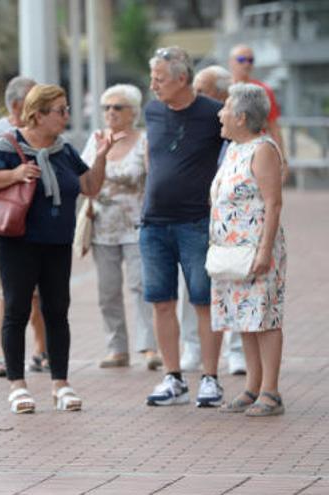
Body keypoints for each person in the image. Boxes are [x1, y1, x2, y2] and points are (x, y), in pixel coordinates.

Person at [0, 84, 117, 414]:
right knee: (17, 310)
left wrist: (103, 157)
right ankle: (17, 385)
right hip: (17, 241)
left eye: (66, 109)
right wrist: (14, 174)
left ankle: (60, 383)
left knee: (57, 311)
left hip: (57, 242)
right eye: (60, 110)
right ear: (37, 114)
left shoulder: (64, 150)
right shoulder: (8, 145)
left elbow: (89, 187)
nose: (66, 116)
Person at [142, 46, 225, 408]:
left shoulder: (212, 113)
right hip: (153, 223)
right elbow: (152, 154)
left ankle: (210, 378)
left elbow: (236, 152)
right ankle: (173, 378)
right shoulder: (152, 110)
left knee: (203, 301)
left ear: (182, 79)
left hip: (196, 222)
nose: (153, 85)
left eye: (159, 79)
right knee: (161, 302)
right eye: (152, 78)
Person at [212, 83, 286, 416]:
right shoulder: (233, 149)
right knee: (244, 316)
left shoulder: (263, 149)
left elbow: (273, 203)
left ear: (241, 117)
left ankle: (271, 391)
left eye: (225, 108)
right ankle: (252, 387)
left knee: (265, 316)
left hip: (256, 247)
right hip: (231, 249)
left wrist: (264, 250)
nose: (220, 113)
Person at [80, 84, 160, 370]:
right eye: (106, 108)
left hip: (137, 224)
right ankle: (117, 348)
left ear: (133, 113)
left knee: (141, 286)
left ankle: (149, 347)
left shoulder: (145, 142)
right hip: (103, 227)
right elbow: (83, 177)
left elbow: (153, 180)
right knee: (108, 290)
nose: (111, 113)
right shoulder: (96, 139)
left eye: (118, 107)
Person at [0, 76, 49, 377]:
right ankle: (6, 356)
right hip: (6, 225)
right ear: (20, 105)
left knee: (38, 295)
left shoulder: (48, 130)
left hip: (41, 225)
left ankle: (42, 350)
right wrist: (17, 174)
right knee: (4, 293)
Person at [188, 65, 247, 376]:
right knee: (198, 288)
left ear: (222, 96)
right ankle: (193, 348)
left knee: (236, 283)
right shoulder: (193, 123)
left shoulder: (239, 133)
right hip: (200, 219)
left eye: (202, 91)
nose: (195, 98)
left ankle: (236, 351)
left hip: (236, 226)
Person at [228, 44, 285, 160]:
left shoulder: (263, 90)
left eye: (250, 60)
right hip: (228, 149)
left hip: (256, 151)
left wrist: (282, 158)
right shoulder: (223, 89)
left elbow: (273, 126)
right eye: (241, 60)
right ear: (231, 62)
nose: (247, 64)